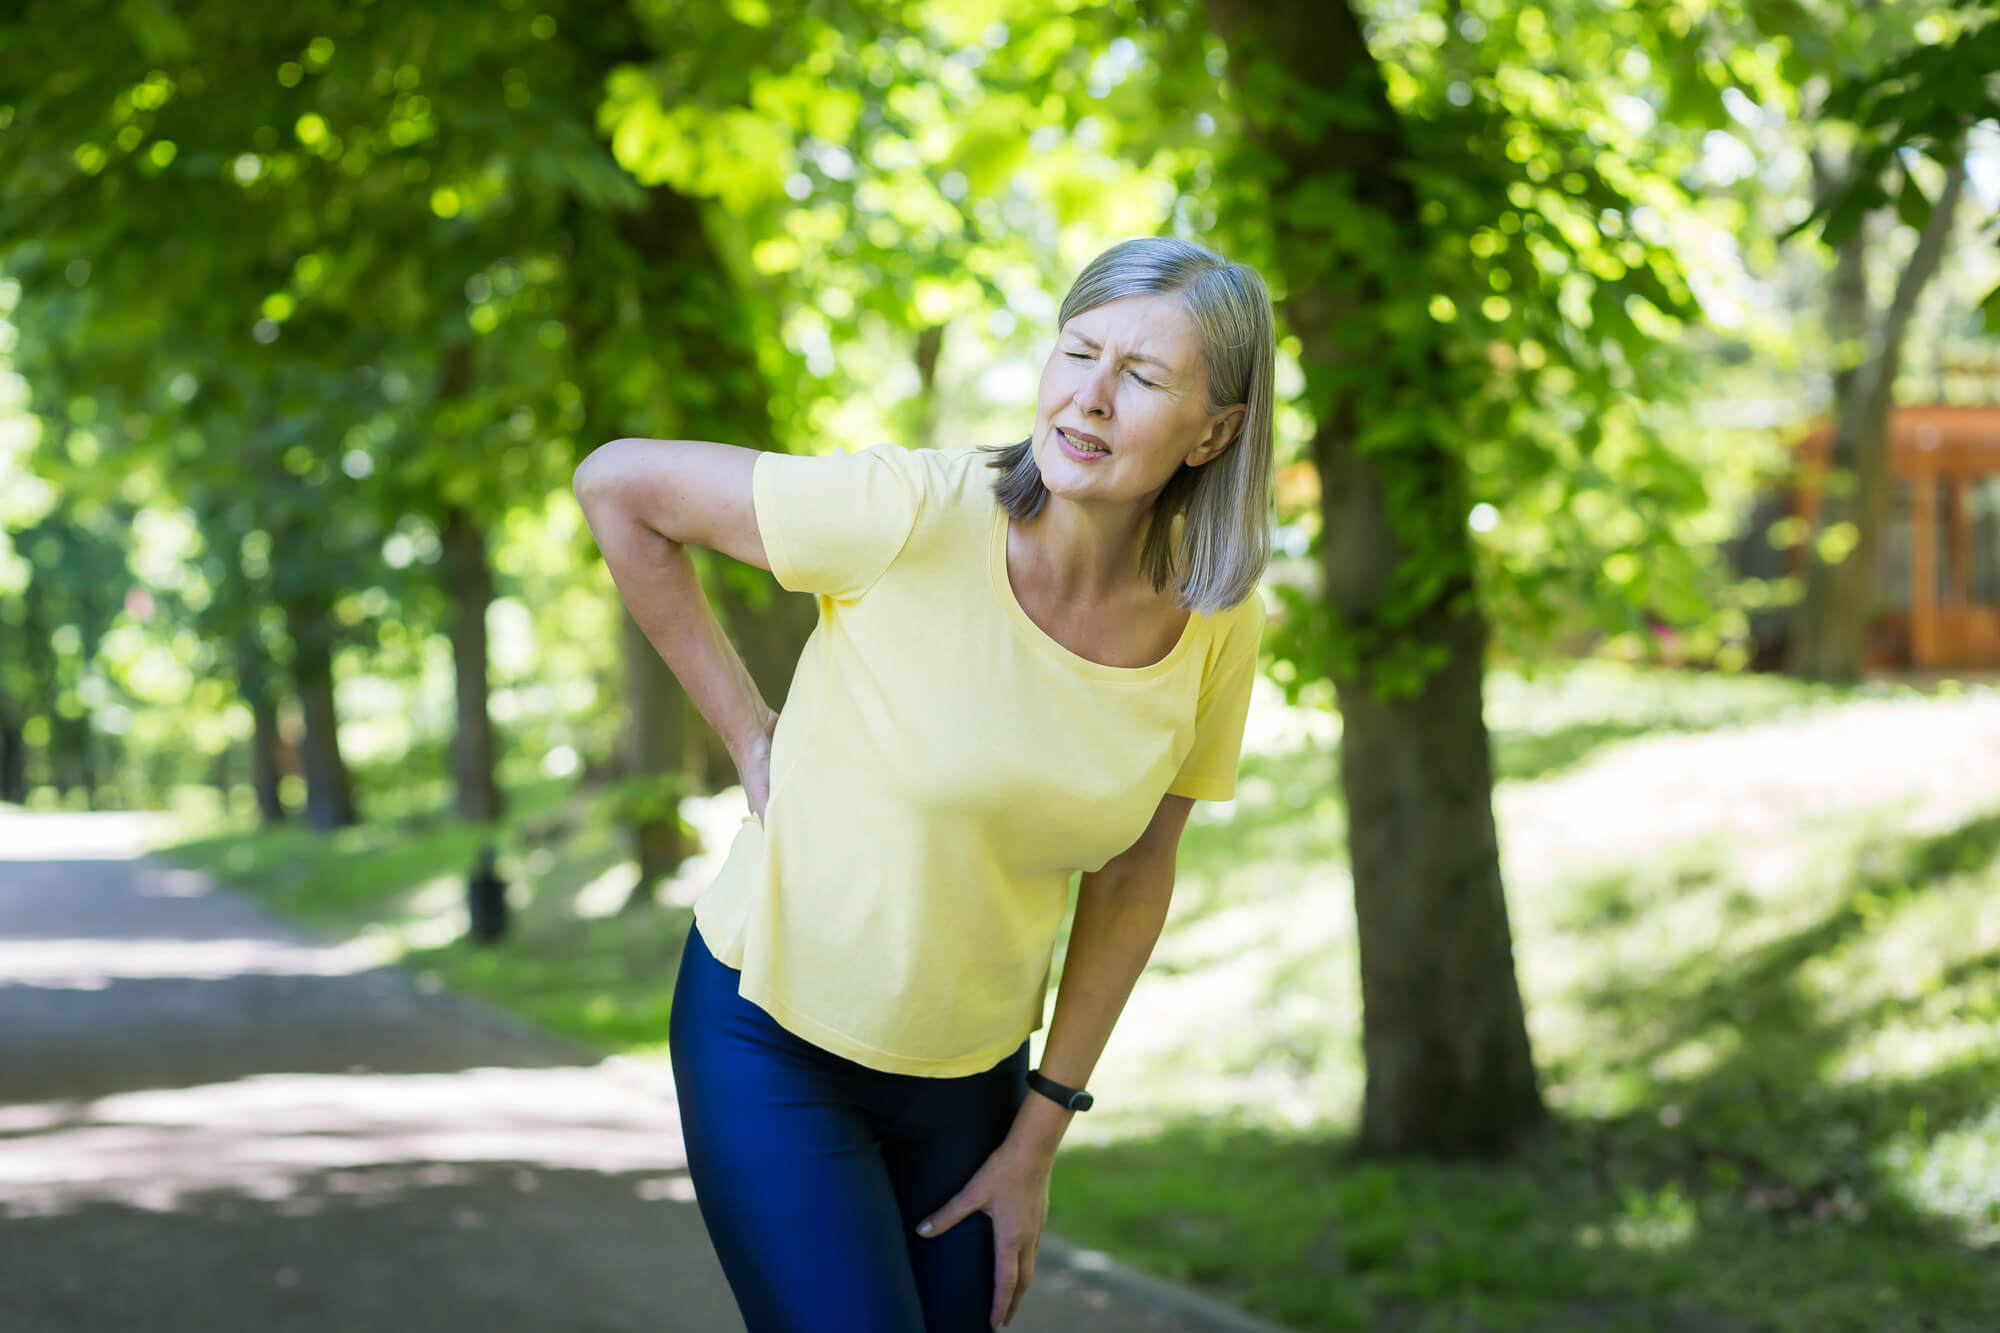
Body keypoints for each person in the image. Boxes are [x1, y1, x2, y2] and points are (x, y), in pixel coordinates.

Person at [572, 235, 1276, 1333]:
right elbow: (617, 487)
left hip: (971, 1078)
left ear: (1215, 431)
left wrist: (1038, 1133)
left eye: (1139, 377)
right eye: (1075, 352)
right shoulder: (910, 512)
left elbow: (1136, 874)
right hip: (771, 1035)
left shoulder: (1214, 618)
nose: (1087, 399)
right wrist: (748, 734)